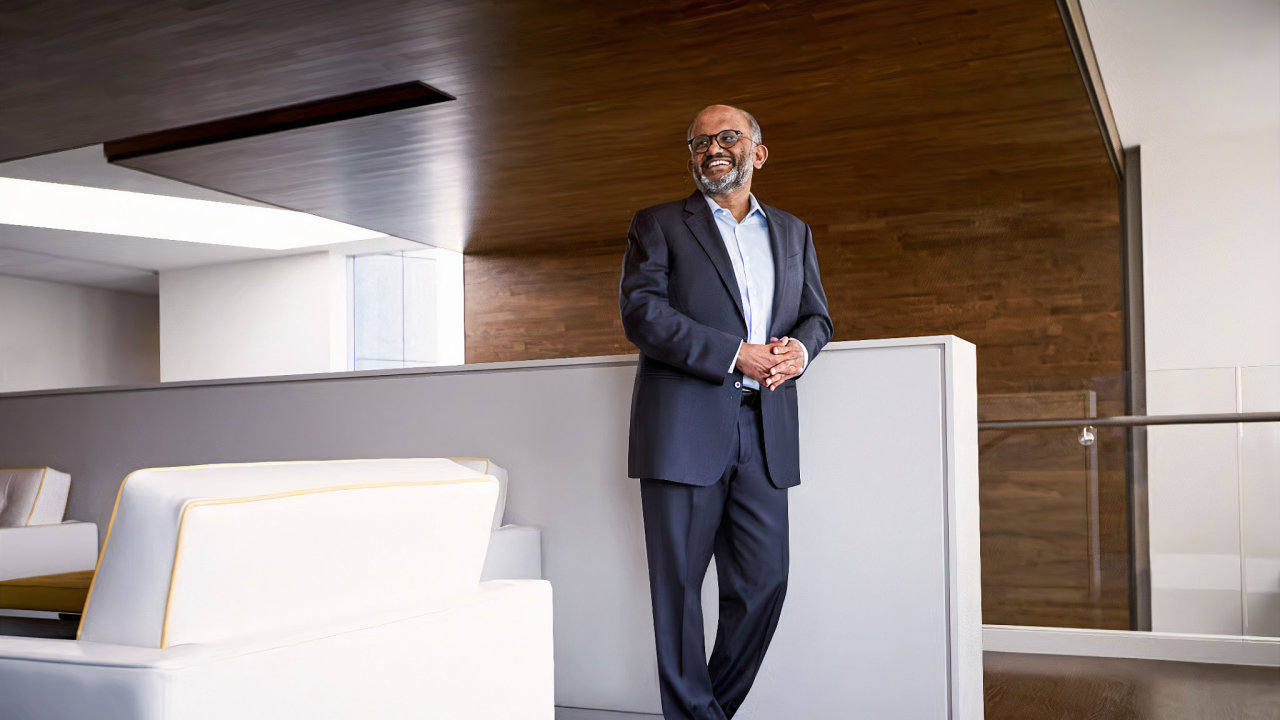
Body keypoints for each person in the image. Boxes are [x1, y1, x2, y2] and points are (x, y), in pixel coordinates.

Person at [618, 104, 833, 720]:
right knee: (679, 593)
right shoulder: (658, 224)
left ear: (757, 152)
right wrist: (736, 353)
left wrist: (800, 352)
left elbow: (817, 317)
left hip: (766, 430)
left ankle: (702, 714)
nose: (712, 148)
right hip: (682, 430)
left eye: (727, 137)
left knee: (764, 584)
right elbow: (643, 315)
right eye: (699, 141)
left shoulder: (793, 232)